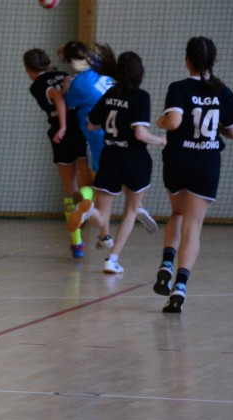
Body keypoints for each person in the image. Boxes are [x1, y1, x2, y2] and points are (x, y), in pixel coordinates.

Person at [152, 36, 233, 313]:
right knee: (193, 227)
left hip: (178, 159)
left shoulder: (179, 88)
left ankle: (167, 263)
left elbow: (174, 121)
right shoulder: (222, 91)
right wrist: (216, 128)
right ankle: (179, 287)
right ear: (213, 61)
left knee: (177, 214)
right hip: (206, 163)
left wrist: (160, 121)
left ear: (187, 60)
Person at [66, 46, 165, 274]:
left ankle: (88, 212)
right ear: (140, 73)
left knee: (103, 213)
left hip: (109, 156)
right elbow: (140, 134)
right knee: (131, 210)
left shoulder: (110, 94)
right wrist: (160, 140)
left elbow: (91, 124)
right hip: (135, 160)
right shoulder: (141, 97)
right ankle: (112, 259)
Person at [23, 48, 93, 258]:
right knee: (86, 177)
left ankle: (77, 242)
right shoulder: (63, 75)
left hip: (62, 131)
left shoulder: (37, 85)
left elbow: (58, 98)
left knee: (69, 185)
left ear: (28, 69)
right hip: (81, 126)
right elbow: (73, 86)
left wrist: (62, 126)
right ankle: (85, 204)